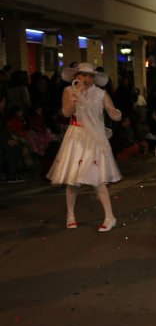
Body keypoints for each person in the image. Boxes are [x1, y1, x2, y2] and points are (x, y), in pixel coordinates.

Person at [46, 63, 122, 232]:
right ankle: (70, 216)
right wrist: (75, 98)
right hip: (75, 137)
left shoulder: (101, 93)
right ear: (76, 76)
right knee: (73, 179)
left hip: (94, 138)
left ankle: (110, 217)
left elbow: (112, 112)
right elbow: (65, 113)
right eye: (82, 75)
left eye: (89, 76)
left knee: (98, 179)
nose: (86, 79)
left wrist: (115, 113)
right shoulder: (69, 91)